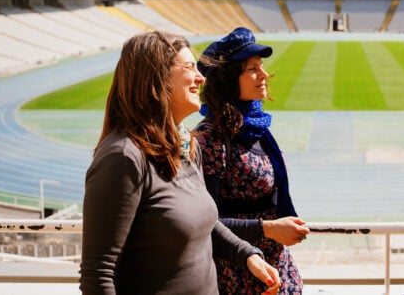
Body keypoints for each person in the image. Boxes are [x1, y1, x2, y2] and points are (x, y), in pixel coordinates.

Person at [79, 31, 281, 295]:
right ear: (156, 78)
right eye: (189, 67)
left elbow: (205, 223)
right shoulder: (123, 158)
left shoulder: (185, 144)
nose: (200, 77)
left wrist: (247, 255)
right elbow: (98, 273)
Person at [194, 27, 308, 294]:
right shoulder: (209, 138)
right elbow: (202, 223)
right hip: (239, 275)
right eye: (252, 69)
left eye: (262, 66)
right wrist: (266, 229)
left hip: (274, 265)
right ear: (228, 79)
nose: (265, 75)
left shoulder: (255, 127)